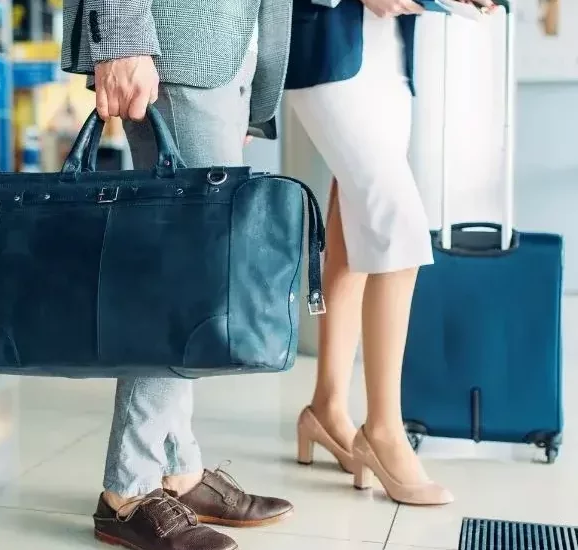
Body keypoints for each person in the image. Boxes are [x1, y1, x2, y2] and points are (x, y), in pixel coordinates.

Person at [61, 0, 294, 548]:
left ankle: (176, 470)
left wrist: (253, 95)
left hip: (226, 45)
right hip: (173, 38)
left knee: (190, 273)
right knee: (189, 274)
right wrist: (119, 37)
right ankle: (130, 489)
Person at [286, 0, 496, 506]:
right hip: (324, 43)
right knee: (398, 227)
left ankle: (327, 407)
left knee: (358, 220)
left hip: (389, 51)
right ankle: (382, 429)